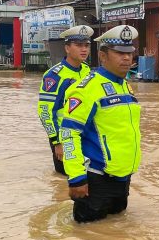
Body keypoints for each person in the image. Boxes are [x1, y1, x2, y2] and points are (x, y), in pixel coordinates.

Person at [60, 25, 142, 224]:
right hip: (96, 180)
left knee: (116, 237)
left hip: (122, 177)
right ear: (103, 56)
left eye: (129, 53)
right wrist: (77, 178)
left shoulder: (125, 85)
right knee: (87, 239)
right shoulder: (86, 89)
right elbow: (69, 134)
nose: (126, 58)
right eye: (119, 53)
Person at [36, 25, 94, 174]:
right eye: (79, 45)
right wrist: (57, 142)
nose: (84, 49)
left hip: (84, 133)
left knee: (86, 175)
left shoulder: (87, 70)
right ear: (67, 48)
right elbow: (45, 111)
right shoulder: (54, 75)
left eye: (86, 45)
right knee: (66, 179)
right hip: (64, 136)